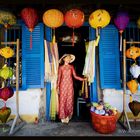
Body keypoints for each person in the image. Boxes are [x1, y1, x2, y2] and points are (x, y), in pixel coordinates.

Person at [57, 54, 87, 124]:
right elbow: (59, 78)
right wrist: (57, 87)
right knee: (62, 100)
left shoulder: (71, 67)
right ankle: (62, 116)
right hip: (62, 85)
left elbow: (75, 76)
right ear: (64, 59)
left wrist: (82, 79)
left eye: (69, 58)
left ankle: (67, 115)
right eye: (67, 58)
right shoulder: (60, 68)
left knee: (69, 100)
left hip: (70, 86)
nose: (68, 59)